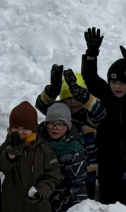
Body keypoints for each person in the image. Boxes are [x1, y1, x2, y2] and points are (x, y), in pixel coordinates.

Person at [80, 29, 126, 212]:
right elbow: (90, 78)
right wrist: (91, 54)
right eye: (113, 82)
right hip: (105, 164)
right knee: (107, 205)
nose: (117, 86)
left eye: (122, 83)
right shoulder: (104, 95)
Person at [36, 65, 104, 203]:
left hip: (87, 172)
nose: (72, 101)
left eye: (76, 97)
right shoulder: (60, 112)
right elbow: (41, 106)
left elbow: (100, 112)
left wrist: (86, 98)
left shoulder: (87, 115)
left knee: (86, 206)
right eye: (67, 97)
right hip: (61, 171)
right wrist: (51, 91)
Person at [0, 102, 61, 212]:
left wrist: (41, 192)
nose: (21, 132)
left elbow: (53, 176)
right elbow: (0, 166)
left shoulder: (44, 150)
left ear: (33, 129)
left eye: (25, 128)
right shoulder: (6, 147)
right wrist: (11, 155)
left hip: (39, 210)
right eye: (16, 128)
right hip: (13, 210)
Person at [42, 102, 90, 212]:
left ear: (67, 126)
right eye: (51, 123)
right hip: (43, 197)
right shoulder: (39, 142)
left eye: (60, 124)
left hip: (64, 203)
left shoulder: (73, 150)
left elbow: (78, 184)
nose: (55, 128)